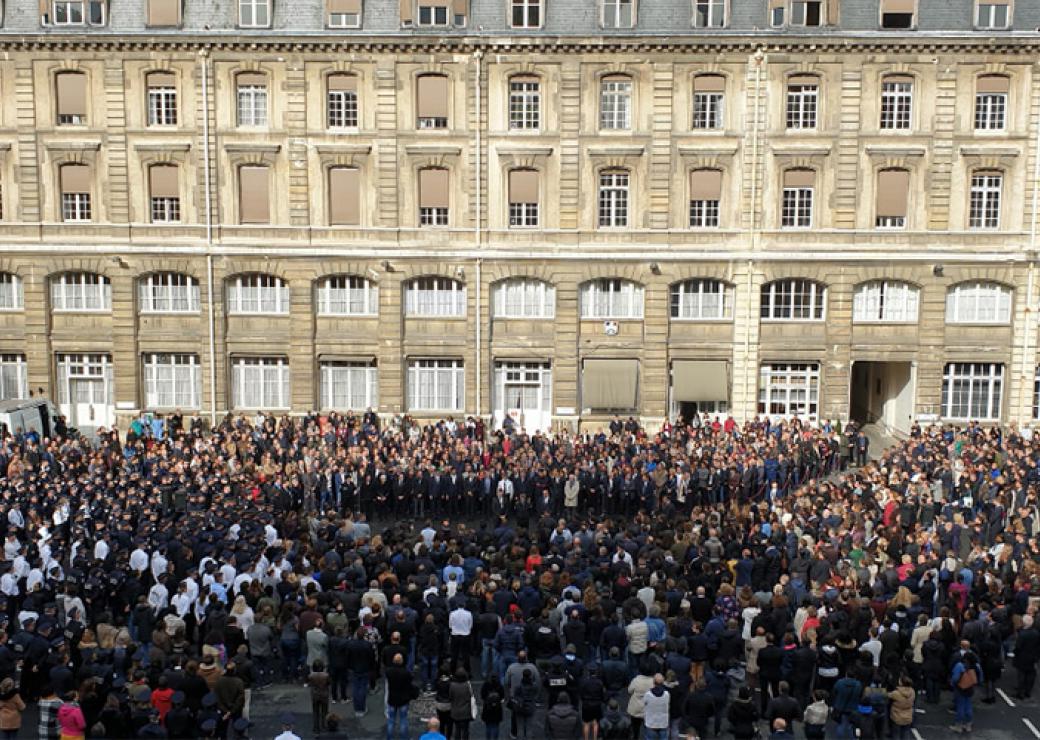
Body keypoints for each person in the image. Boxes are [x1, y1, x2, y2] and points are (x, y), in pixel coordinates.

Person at [385, 652, 415, 740]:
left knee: (391, 721)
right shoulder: (406, 673)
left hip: (392, 699)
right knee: (403, 720)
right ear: (402, 661)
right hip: (403, 699)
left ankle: (389, 738)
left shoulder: (388, 672)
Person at [950, 651, 981, 734]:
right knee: (968, 705)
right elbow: (980, 678)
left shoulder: (960, 665)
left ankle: (958, 726)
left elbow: (955, 678)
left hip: (960, 688)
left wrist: (952, 683)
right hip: (970, 688)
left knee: (960, 707)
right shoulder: (975, 666)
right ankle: (968, 724)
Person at [641, 674, 669, 740]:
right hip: (663, 723)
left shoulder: (648, 694)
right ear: (663, 682)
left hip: (651, 722)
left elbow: (643, 704)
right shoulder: (667, 694)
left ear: (653, 682)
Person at [449, 669, 475, 740]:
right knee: (466, 730)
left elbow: (450, 697)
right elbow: (471, 696)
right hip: (465, 712)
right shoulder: (467, 685)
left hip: (455, 711)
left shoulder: (452, 685)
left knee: (457, 729)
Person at [308, 659, 331, 735]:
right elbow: (328, 683)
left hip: (315, 695)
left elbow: (309, 684)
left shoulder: (311, 676)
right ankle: (324, 726)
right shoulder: (326, 675)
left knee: (316, 712)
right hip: (324, 695)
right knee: (324, 711)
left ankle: (316, 728)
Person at [480, 675, 505, 740]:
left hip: (487, 708)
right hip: (497, 709)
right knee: (496, 726)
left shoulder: (486, 685)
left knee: (488, 726)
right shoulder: (499, 686)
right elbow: (502, 697)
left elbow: (482, 696)